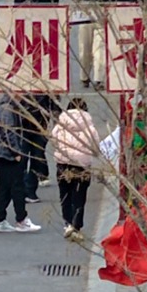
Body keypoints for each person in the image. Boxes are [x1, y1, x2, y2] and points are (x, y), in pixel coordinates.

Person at [0, 88, 49, 231]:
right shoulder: (8, 109)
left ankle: (1, 219)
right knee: (17, 186)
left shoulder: (7, 107)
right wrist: (16, 152)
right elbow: (9, 132)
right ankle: (21, 219)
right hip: (7, 154)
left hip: (2, 153)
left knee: (5, 186)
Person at [49, 96, 101, 243]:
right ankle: (76, 226)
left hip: (63, 164)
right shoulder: (90, 128)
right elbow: (96, 147)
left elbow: (54, 141)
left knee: (65, 195)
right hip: (82, 166)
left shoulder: (60, 124)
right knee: (79, 196)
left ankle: (67, 223)